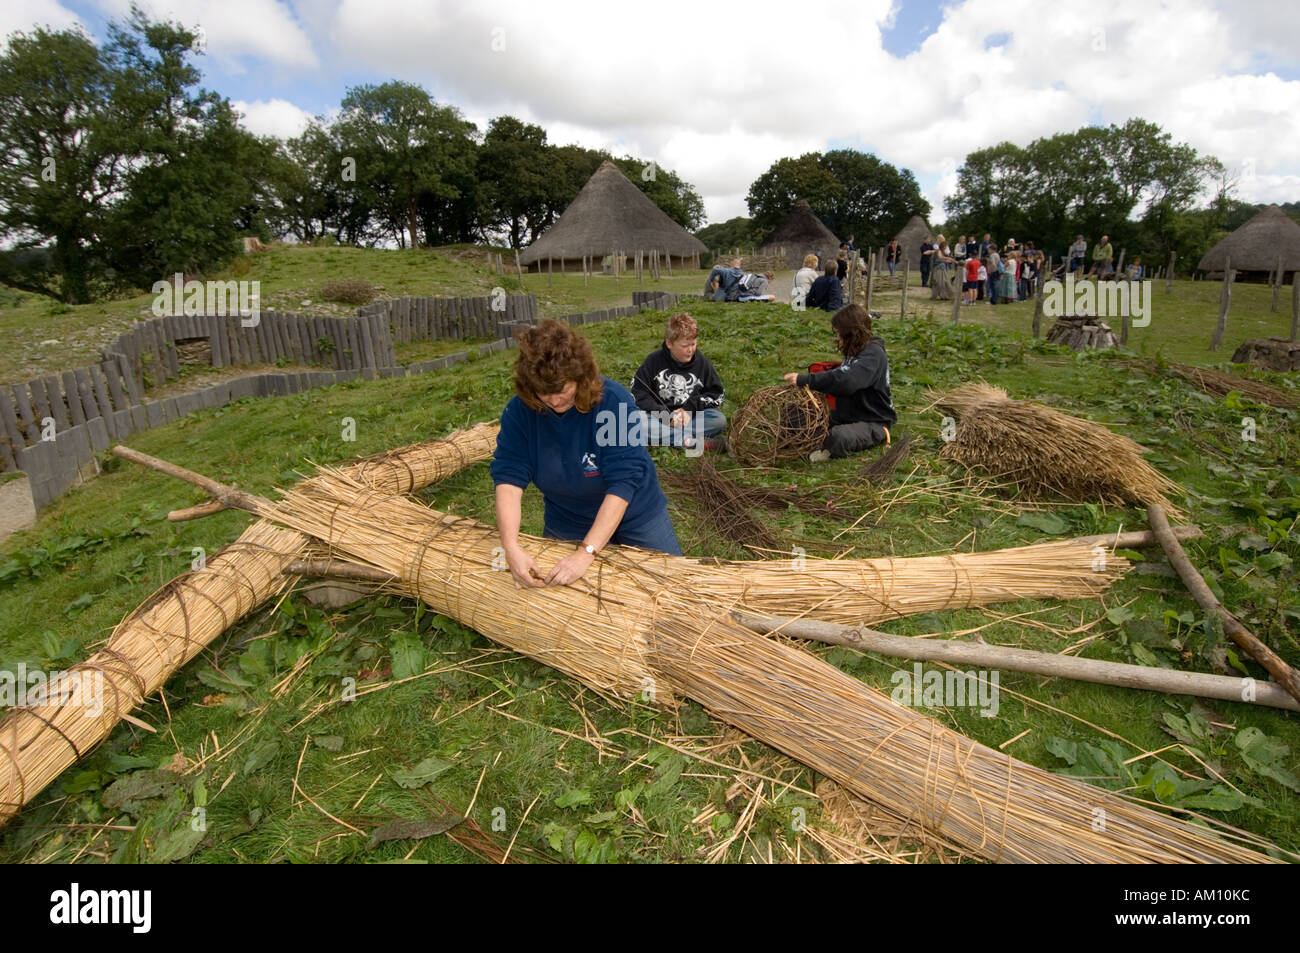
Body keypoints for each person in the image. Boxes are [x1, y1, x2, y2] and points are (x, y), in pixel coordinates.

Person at [491, 319, 681, 589]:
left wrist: (586, 553)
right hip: (569, 517)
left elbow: (624, 481)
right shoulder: (519, 412)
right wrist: (510, 546)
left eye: (562, 391)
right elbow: (508, 478)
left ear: (581, 378)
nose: (555, 401)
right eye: (544, 393)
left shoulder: (613, 402)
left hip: (635, 513)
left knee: (672, 587)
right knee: (560, 599)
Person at [782, 304, 896, 460]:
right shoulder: (855, 351)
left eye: (838, 334)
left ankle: (824, 449)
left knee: (839, 437)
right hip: (844, 415)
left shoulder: (873, 355)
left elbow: (847, 380)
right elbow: (839, 375)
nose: (836, 338)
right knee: (794, 415)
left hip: (872, 422)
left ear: (852, 333)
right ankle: (808, 441)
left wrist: (804, 380)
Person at [631, 312, 727, 452]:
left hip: (690, 419)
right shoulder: (653, 361)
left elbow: (717, 394)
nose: (690, 350)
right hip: (659, 418)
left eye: (693, 344)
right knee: (636, 421)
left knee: (718, 419)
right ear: (669, 343)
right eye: (684, 346)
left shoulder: (702, 362)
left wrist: (689, 410)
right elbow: (637, 393)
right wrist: (664, 416)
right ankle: (692, 442)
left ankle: (665, 437)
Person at [929, 235, 954, 300]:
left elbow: (944, 258)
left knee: (944, 282)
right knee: (939, 282)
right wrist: (946, 259)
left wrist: (948, 260)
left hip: (942, 268)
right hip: (938, 268)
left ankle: (944, 295)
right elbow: (939, 258)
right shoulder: (938, 250)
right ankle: (940, 295)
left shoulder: (942, 251)